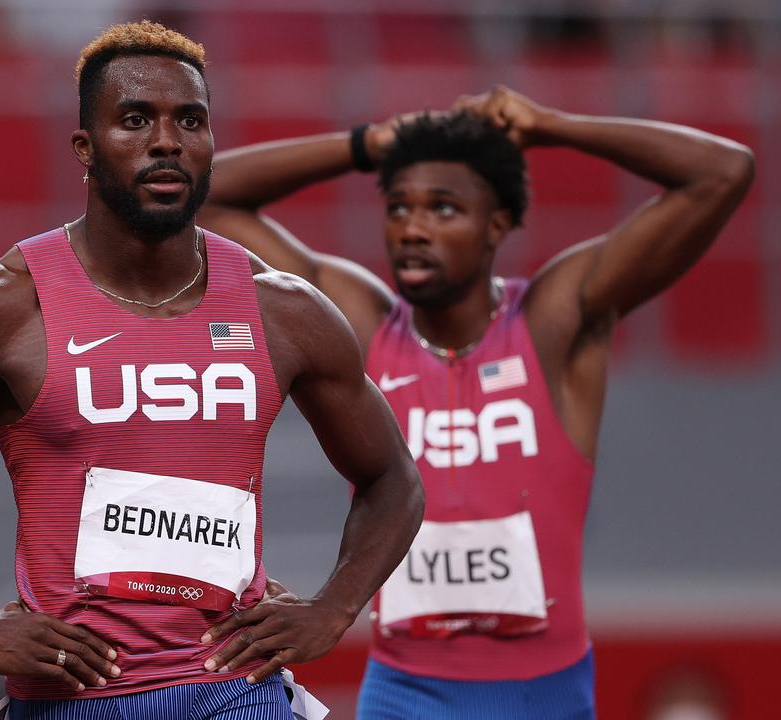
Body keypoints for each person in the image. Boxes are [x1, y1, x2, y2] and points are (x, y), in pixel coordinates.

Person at [0, 20, 424, 720]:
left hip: (232, 691)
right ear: (85, 149)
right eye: (134, 120)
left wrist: (331, 611)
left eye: (190, 120)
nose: (165, 141)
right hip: (72, 698)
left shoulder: (283, 311)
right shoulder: (3, 305)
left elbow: (393, 477)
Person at [199, 87, 754, 718]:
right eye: (399, 207)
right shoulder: (362, 326)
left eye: (443, 209)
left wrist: (555, 125)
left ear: (497, 224)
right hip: (406, 691)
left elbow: (723, 171)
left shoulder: (553, 322)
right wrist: (366, 144)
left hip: (543, 692)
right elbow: (207, 196)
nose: (413, 228)